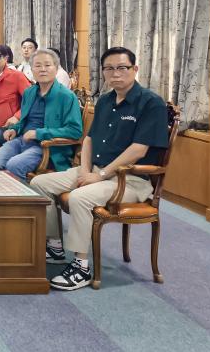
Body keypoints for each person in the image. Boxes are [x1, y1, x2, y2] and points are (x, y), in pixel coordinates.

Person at [31, 47, 169, 291]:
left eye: (122, 67)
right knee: (39, 183)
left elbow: (138, 150)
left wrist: (100, 175)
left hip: (129, 180)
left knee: (80, 197)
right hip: (95, 169)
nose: (115, 73)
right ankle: (54, 246)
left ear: (135, 69)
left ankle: (81, 267)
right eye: (109, 68)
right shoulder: (105, 100)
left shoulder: (151, 103)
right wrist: (86, 172)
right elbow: (88, 140)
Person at [0, 49, 82, 180]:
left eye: (47, 65)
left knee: (14, 165)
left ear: (56, 69)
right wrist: (14, 129)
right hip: (21, 140)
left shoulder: (67, 96)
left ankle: (21, 194)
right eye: (38, 66)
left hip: (46, 148)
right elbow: (23, 120)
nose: (43, 69)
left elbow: (75, 131)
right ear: (32, 70)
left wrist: (38, 133)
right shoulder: (29, 92)